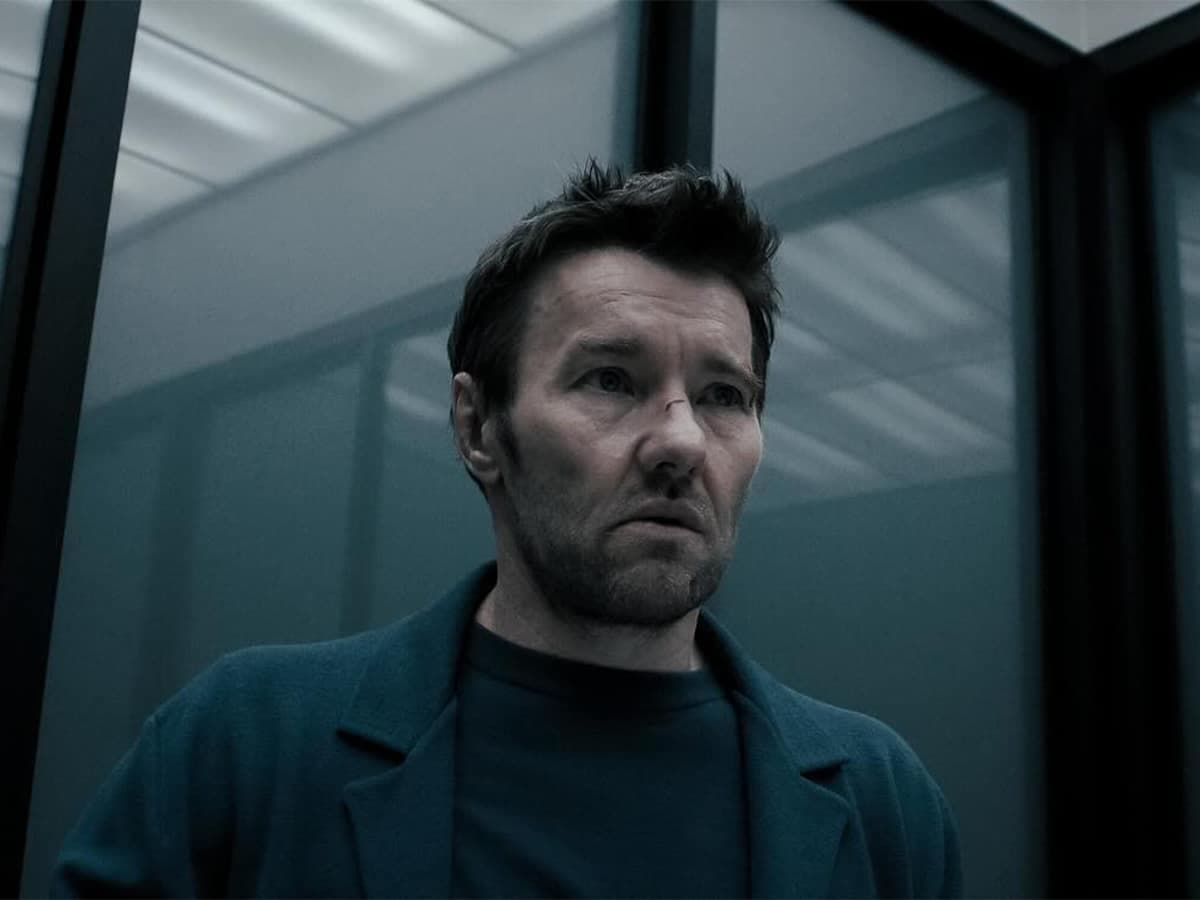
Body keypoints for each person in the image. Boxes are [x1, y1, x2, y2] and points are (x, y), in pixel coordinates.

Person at [53, 162, 962, 898]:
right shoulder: (247, 744)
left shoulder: (882, 799)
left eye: (725, 395)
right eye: (610, 380)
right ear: (478, 428)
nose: (682, 441)